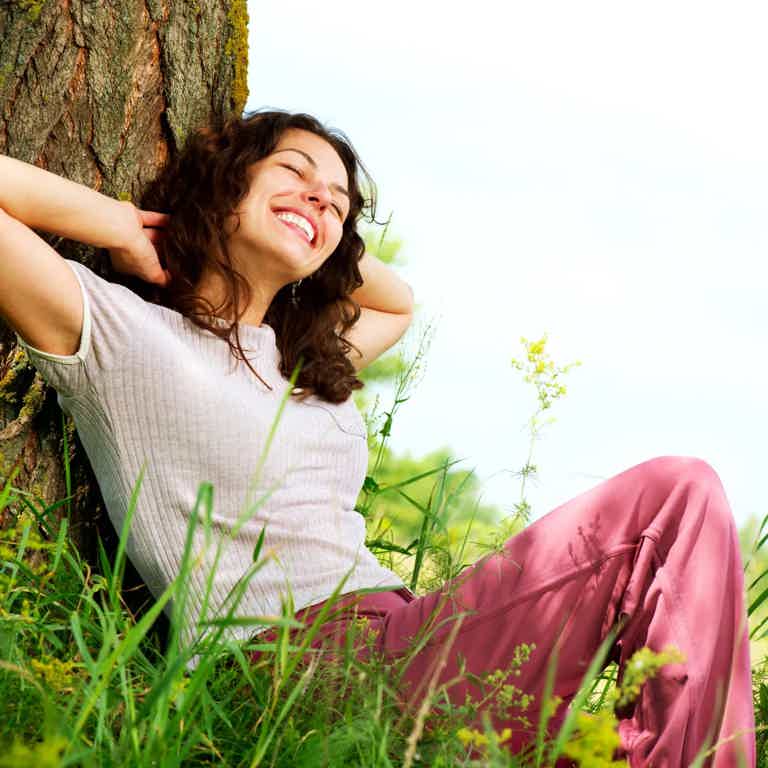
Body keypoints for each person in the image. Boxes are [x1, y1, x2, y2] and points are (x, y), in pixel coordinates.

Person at [0, 109, 755, 766]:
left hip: (401, 643)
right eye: (293, 172)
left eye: (338, 202)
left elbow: (398, 301)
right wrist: (125, 225)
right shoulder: (122, 336)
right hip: (295, 667)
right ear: (222, 182)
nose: (320, 198)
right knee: (675, 496)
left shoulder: (304, 364)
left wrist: (313, 233)